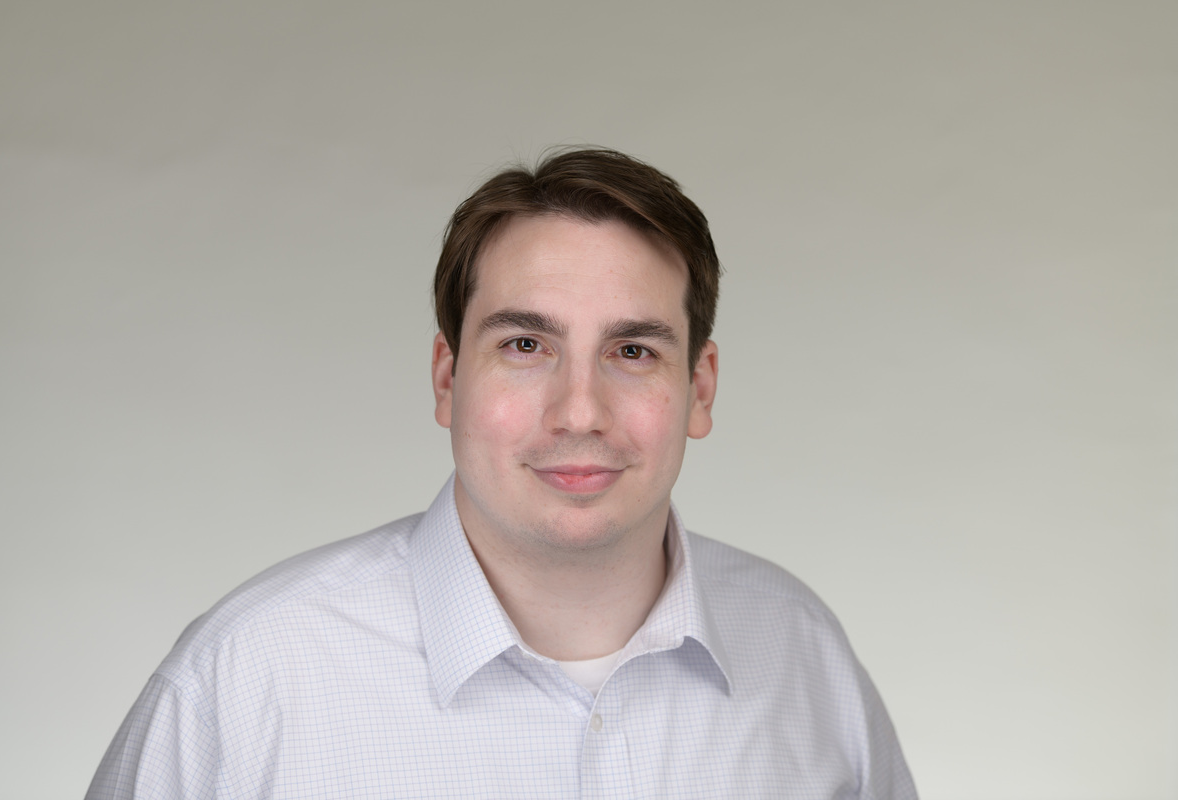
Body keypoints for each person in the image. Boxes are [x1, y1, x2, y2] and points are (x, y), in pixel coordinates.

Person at [88, 148, 917, 798]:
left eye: (632, 350)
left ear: (698, 389)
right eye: (526, 345)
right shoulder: (245, 680)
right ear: (448, 379)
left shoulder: (803, 655)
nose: (579, 410)